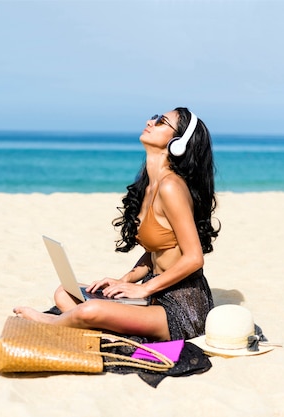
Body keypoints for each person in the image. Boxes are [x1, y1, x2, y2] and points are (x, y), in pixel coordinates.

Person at [14, 107, 220, 341]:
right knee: (65, 293)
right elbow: (157, 252)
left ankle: (55, 323)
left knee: (90, 309)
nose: (150, 122)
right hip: (152, 294)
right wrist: (125, 281)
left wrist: (144, 288)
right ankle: (86, 322)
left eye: (161, 122)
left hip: (180, 307)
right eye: (154, 117)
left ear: (178, 143)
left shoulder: (171, 187)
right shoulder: (150, 185)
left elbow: (194, 258)